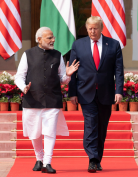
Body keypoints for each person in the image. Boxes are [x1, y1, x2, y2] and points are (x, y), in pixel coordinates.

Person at [15, 27, 79, 174]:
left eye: (53, 37)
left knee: (50, 131)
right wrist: (23, 87)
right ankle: (39, 158)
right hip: (32, 100)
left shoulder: (58, 55)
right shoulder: (28, 54)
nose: (53, 40)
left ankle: (47, 162)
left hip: (52, 99)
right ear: (39, 39)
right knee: (34, 131)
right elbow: (19, 76)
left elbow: (62, 79)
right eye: (49, 38)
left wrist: (68, 75)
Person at [68, 16, 124, 173]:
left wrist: (119, 90)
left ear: (101, 28)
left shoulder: (113, 44)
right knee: (91, 123)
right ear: (86, 29)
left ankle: (97, 159)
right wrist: (72, 92)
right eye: (90, 28)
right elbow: (72, 71)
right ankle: (92, 158)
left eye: (95, 28)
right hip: (86, 92)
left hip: (106, 92)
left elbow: (118, 70)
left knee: (102, 127)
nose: (92, 31)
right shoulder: (78, 45)